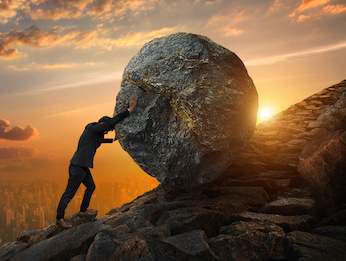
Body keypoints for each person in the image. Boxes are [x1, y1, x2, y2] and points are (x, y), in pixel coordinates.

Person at [56, 94, 138, 228]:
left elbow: (101, 140)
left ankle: (83, 211)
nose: (106, 132)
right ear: (102, 124)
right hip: (77, 167)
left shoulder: (95, 134)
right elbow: (111, 123)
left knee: (91, 187)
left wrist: (113, 140)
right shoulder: (92, 128)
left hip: (82, 167)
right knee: (69, 194)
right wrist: (130, 109)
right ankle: (60, 218)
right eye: (106, 130)